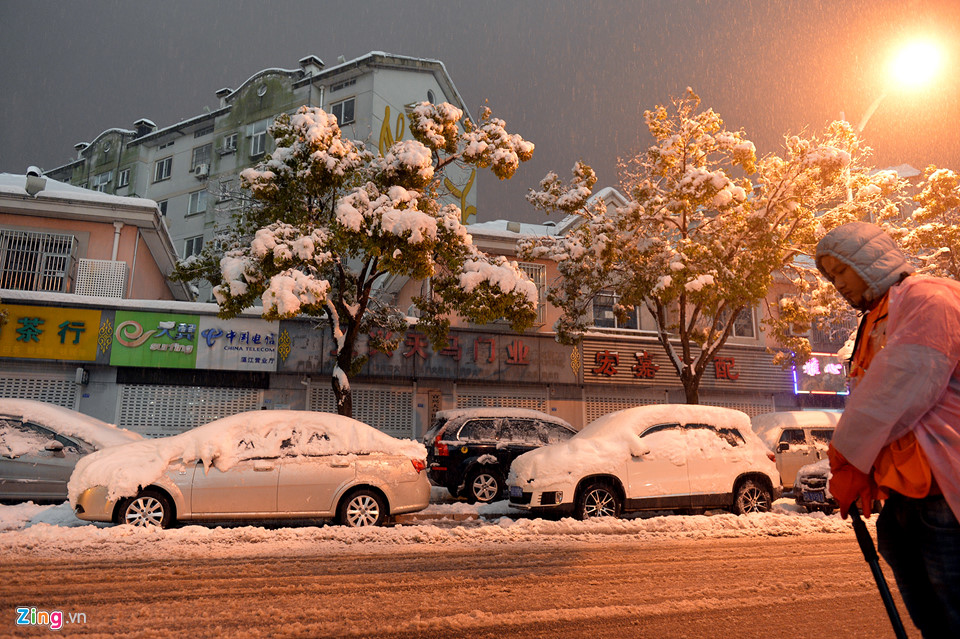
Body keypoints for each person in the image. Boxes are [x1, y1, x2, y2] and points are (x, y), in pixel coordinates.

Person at [815, 221, 960, 637]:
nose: (836, 284)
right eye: (829, 276)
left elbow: (897, 388)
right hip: (904, 496)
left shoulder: (927, 296)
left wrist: (847, 460)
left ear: (869, 259)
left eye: (841, 270)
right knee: (932, 620)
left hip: (943, 495)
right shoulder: (878, 316)